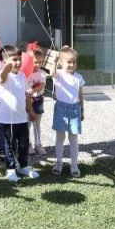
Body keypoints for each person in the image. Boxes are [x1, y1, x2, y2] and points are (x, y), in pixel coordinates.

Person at [0, 45, 40, 183]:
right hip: (7, 120)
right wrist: (6, 69)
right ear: (5, 62)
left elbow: (26, 95)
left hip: (21, 118)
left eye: (19, 59)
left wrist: (31, 110)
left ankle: (23, 165)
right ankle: (10, 169)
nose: (18, 62)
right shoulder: (3, 75)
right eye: (14, 59)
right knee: (9, 146)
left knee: (23, 144)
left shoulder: (22, 76)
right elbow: (2, 77)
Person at [51, 46, 86, 178]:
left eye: (74, 62)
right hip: (61, 109)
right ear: (61, 62)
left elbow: (80, 95)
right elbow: (52, 72)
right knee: (60, 138)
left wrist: (82, 109)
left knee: (73, 139)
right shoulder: (58, 75)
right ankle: (59, 163)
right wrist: (55, 62)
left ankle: (74, 165)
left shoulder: (78, 77)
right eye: (68, 62)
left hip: (74, 109)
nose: (71, 64)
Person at [27, 49, 47, 156]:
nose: (37, 64)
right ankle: (28, 145)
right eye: (35, 62)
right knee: (27, 124)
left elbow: (42, 85)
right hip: (27, 101)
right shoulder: (25, 73)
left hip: (38, 101)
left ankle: (38, 144)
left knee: (37, 124)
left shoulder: (42, 73)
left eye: (40, 62)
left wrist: (33, 90)